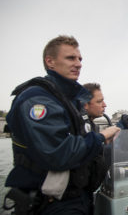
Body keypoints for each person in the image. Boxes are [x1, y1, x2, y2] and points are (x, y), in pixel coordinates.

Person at [4, 35, 120, 215]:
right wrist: (102, 136)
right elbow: (58, 153)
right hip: (51, 203)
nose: (78, 63)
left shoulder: (69, 100)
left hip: (77, 197)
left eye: (80, 59)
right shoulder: (37, 98)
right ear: (50, 62)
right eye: (70, 58)